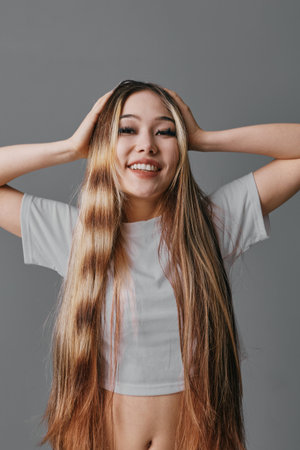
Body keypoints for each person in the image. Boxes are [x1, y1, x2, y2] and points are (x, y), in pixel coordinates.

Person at [0, 79, 299, 450]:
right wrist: (70, 148)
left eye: (165, 131)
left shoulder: (211, 225)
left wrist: (205, 139)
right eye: (127, 129)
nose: (147, 144)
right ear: (105, 142)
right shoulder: (78, 235)